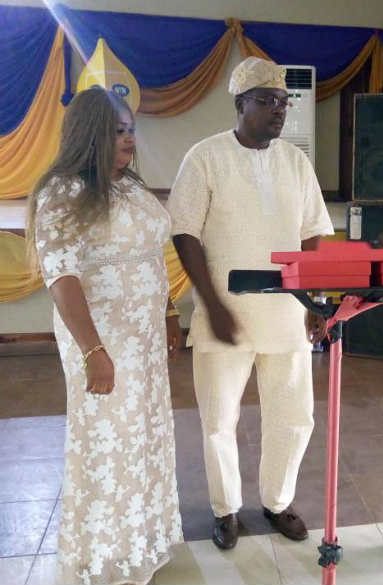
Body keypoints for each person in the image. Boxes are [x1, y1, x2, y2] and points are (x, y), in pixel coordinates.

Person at [167, 57, 334, 550]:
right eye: (267, 101)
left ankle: (278, 501)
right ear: (241, 104)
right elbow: (185, 232)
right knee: (219, 420)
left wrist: (315, 300)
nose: (278, 111)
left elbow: (314, 234)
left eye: (284, 102)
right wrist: (212, 304)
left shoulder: (295, 161)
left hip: (287, 315)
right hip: (226, 316)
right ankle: (226, 509)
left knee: (294, 414)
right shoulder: (205, 157)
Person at [27, 87, 183, 585]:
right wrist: (94, 350)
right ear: (89, 134)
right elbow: (62, 277)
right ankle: (100, 557)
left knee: (143, 439)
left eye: (131, 129)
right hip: (102, 343)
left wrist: (170, 311)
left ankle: (140, 542)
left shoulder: (130, 187)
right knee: (106, 444)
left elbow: (154, 256)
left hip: (144, 343)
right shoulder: (63, 192)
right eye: (118, 131)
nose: (129, 140)